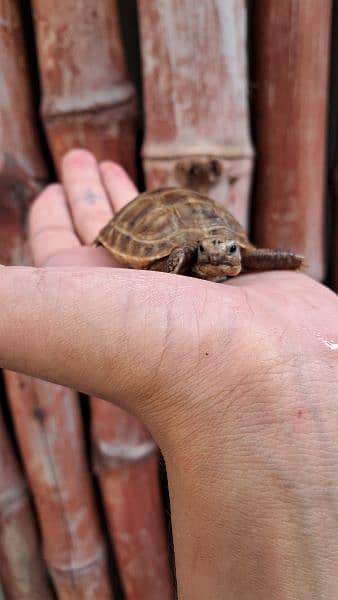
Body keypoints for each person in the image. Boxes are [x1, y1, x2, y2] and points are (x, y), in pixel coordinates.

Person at [1, 148, 338, 599]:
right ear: (195, 254)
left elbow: (255, 257)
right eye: (209, 251)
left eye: (228, 251)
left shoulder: (239, 257)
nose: (219, 256)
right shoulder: (183, 256)